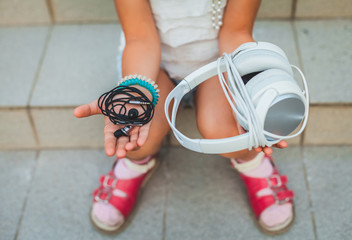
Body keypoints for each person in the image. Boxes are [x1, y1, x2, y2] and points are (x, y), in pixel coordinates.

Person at [73, 0, 294, 235]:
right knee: (135, 132)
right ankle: (136, 162)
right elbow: (139, 38)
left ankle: (250, 160)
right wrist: (135, 92)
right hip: (151, 64)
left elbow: (236, 30)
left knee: (236, 129)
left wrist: (249, 97)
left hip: (219, 62)